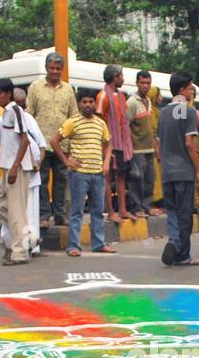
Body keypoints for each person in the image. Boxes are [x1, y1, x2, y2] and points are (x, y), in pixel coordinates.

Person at [0, 77, 46, 265]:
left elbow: (25, 140)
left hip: (17, 168)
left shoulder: (15, 111)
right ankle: (28, 233)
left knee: (16, 211)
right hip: (6, 167)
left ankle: (19, 253)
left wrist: (14, 167)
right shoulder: (4, 114)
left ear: (7, 94)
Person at [52, 91, 114, 258]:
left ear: (94, 103)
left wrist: (106, 162)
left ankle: (99, 244)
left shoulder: (100, 123)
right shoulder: (72, 122)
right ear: (79, 103)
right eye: (85, 102)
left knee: (98, 211)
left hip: (98, 173)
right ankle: (73, 246)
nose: (88, 105)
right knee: (77, 211)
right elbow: (54, 141)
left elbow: (108, 144)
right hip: (79, 174)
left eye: (91, 101)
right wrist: (66, 161)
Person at [157, 71, 199, 267]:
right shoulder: (188, 111)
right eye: (190, 86)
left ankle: (173, 242)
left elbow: (158, 145)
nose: (192, 90)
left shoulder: (162, 113)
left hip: (167, 171)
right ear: (182, 89)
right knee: (185, 214)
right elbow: (189, 143)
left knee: (173, 212)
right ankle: (183, 254)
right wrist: (198, 170)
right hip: (184, 171)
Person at [27, 52, 78, 227]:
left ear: (62, 69)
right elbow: (29, 116)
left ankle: (60, 215)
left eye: (58, 68)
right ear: (46, 68)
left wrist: (73, 144)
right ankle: (43, 216)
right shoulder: (35, 88)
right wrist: (32, 143)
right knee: (41, 181)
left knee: (61, 181)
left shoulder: (68, 90)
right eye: (51, 68)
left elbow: (74, 118)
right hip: (42, 144)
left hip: (62, 144)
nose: (54, 71)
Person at [96, 64, 133, 223]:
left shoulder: (121, 96)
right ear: (114, 77)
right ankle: (111, 211)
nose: (123, 79)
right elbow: (98, 119)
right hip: (107, 144)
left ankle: (123, 209)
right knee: (108, 178)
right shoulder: (103, 96)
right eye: (121, 76)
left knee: (121, 177)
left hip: (121, 144)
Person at [125, 70, 158, 220]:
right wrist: (129, 148)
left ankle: (146, 206)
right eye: (142, 83)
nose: (145, 86)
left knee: (149, 179)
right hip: (137, 149)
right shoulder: (131, 102)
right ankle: (136, 208)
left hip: (150, 147)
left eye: (148, 83)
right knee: (136, 180)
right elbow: (126, 125)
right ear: (137, 83)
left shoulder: (149, 101)